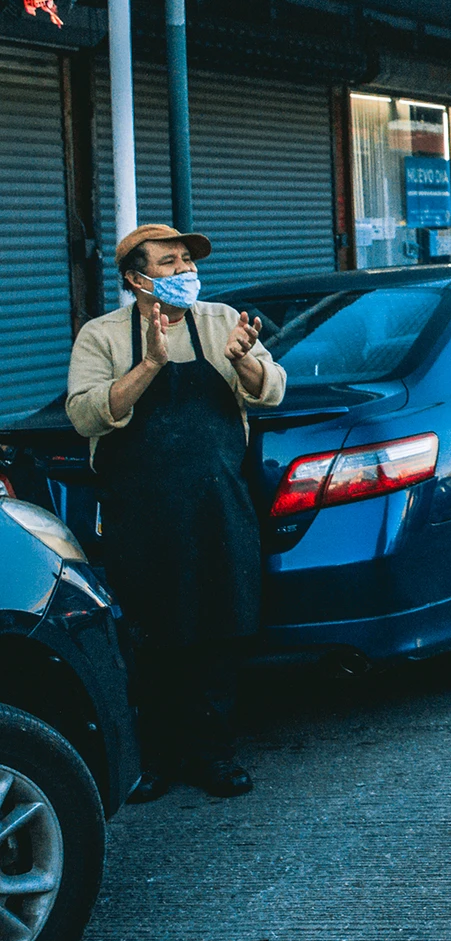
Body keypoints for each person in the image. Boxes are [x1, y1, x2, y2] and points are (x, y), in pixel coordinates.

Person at [66, 224, 285, 800]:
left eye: (187, 261)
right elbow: (85, 415)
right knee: (152, 635)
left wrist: (244, 363)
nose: (185, 271)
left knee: (218, 628)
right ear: (137, 279)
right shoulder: (102, 336)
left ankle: (213, 755)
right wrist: (149, 367)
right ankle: (157, 757)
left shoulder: (220, 322)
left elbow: (273, 389)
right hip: (141, 514)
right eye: (169, 263)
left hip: (218, 505)